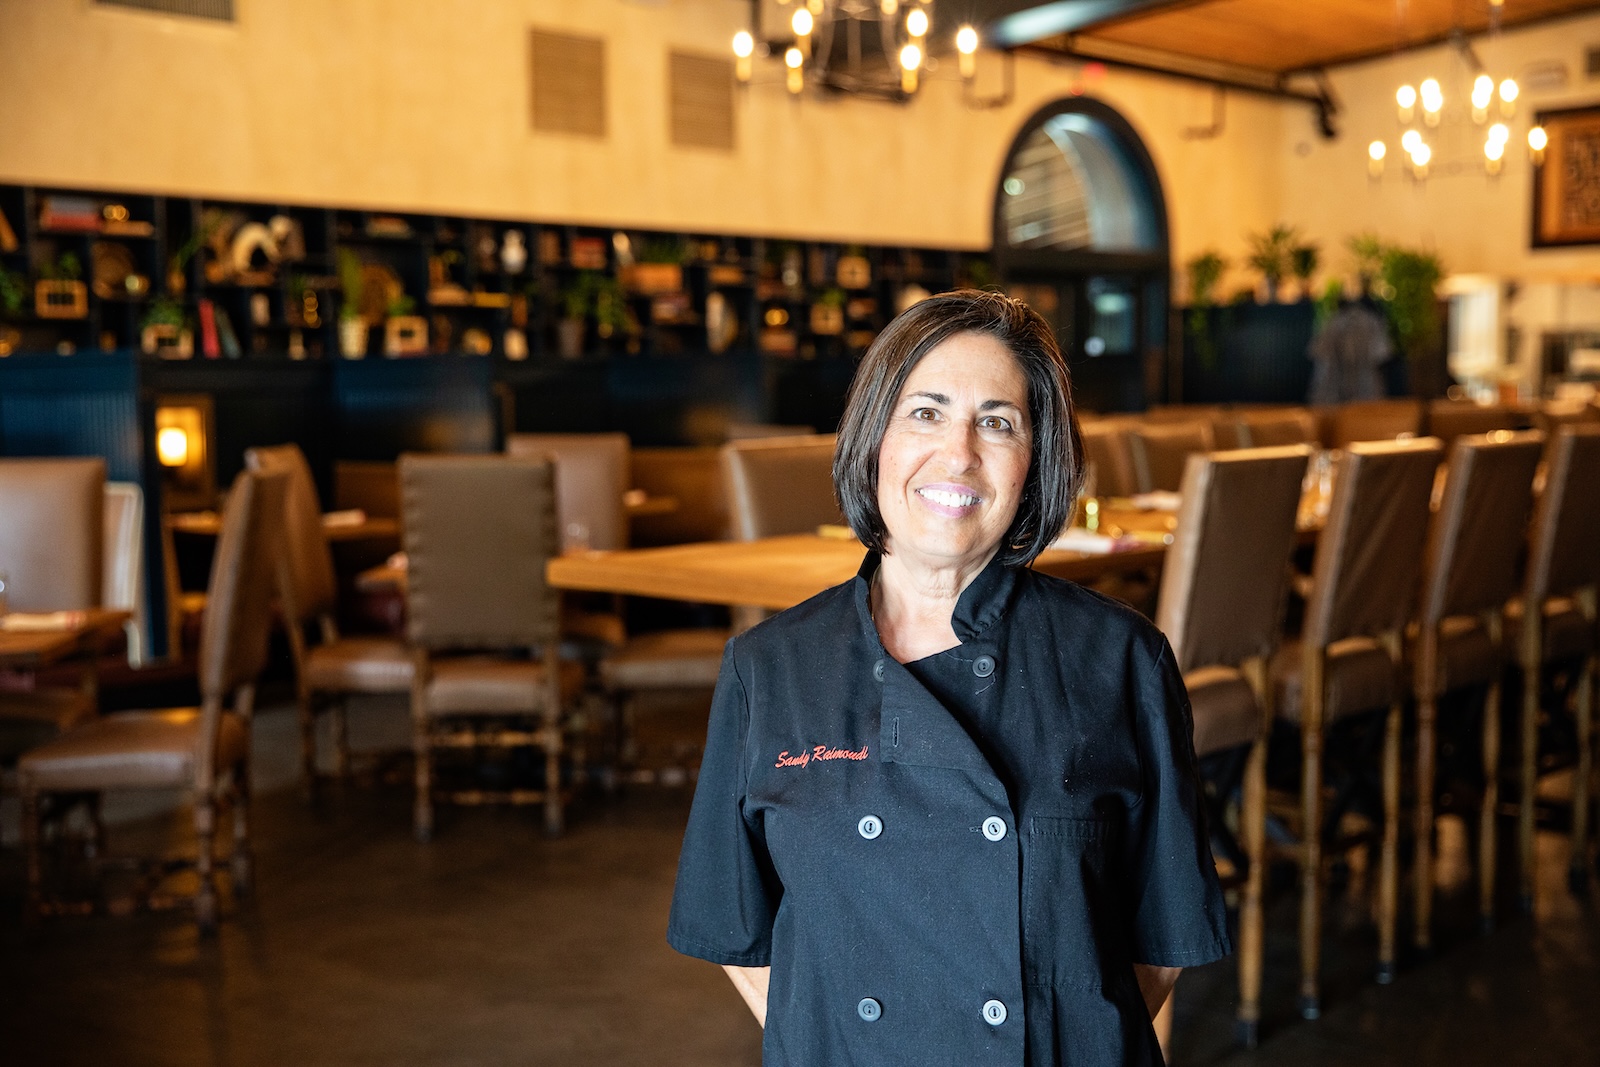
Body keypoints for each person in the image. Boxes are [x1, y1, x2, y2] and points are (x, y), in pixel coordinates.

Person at [667, 289, 1229, 1066]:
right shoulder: (771, 667)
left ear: (1034, 463)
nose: (960, 452)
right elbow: (741, 937)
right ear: (875, 440)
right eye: (925, 412)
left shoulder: (1120, 660)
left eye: (998, 422)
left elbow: (1158, 946)